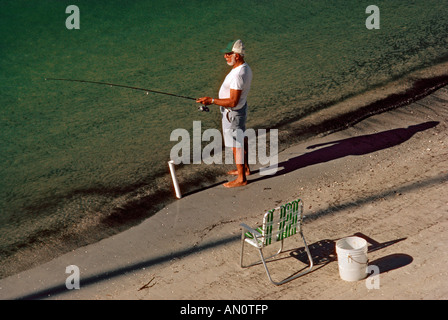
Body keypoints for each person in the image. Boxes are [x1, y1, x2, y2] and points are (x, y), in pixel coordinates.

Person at [196, 39, 253, 188]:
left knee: (236, 145)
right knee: (240, 140)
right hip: (238, 111)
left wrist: (212, 101)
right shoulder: (244, 68)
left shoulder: (238, 75)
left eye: (229, 54)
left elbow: (233, 101)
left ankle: (241, 178)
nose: (225, 57)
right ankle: (245, 169)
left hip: (233, 113)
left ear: (237, 55)